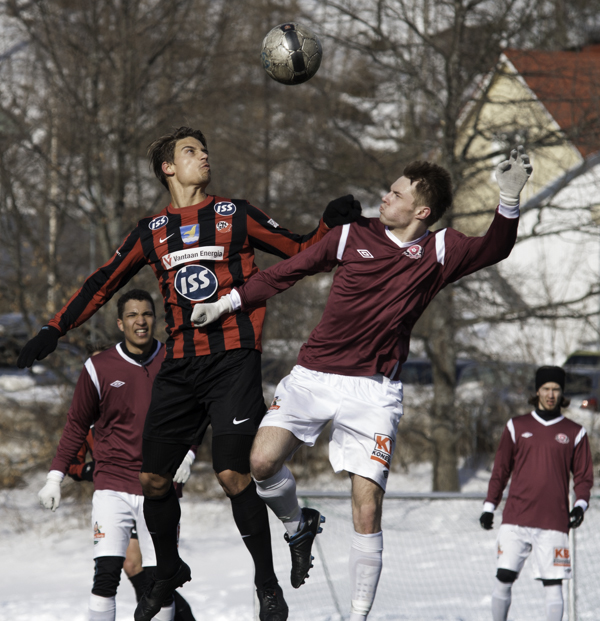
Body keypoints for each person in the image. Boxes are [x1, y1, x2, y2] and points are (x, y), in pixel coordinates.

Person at [18, 126, 361, 621]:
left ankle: (267, 586)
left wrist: (330, 225)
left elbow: (300, 250)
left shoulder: (235, 213)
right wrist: (55, 327)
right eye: (191, 152)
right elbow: (101, 282)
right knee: (153, 479)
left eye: (204, 149)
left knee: (230, 470)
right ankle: (170, 567)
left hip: (234, 357)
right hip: (178, 365)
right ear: (168, 168)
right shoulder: (152, 230)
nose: (204, 156)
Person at [191, 147, 533, 619]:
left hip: (373, 392)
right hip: (313, 376)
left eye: (394, 194)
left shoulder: (440, 250)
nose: (383, 197)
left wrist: (509, 200)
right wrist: (228, 303)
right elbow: (287, 271)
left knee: (366, 507)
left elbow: (496, 247)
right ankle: (298, 525)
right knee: (261, 463)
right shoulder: (352, 234)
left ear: (421, 211)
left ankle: (357, 615)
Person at [38, 289, 192, 621]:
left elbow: (196, 411)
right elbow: (76, 425)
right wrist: (55, 478)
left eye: (147, 314)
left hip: (161, 486)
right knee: (106, 576)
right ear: (121, 323)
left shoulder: (175, 361)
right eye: (133, 315)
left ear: (156, 319)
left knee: (160, 583)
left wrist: (189, 453)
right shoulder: (98, 368)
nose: (141, 321)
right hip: (112, 485)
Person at [479, 365, 593, 621]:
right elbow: (501, 469)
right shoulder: (516, 426)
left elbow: (584, 477)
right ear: (537, 391)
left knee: (553, 586)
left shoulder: (575, 432)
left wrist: (580, 505)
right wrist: (489, 506)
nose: (551, 394)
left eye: (555, 389)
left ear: (562, 393)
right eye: (546, 389)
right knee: (504, 578)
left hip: (554, 521)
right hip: (516, 517)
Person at [68, 424, 197, 621]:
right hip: (118, 495)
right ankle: (149, 611)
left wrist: (186, 457)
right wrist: (93, 470)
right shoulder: (90, 414)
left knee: (157, 572)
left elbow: (187, 419)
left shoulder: (140, 402)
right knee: (130, 565)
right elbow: (71, 460)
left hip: (153, 493)